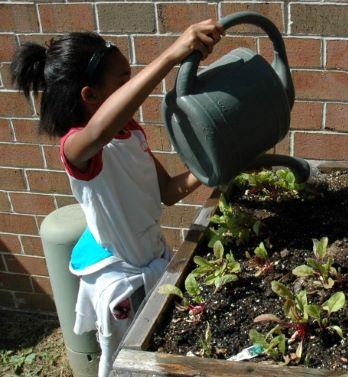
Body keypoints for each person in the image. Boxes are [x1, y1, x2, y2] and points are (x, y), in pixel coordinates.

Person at [11, 19, 225, 376]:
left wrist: (214, 169)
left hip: (152, 258)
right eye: (122, 80)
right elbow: (99, 129)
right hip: (121, 281)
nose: (131, 87)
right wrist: (173, 54)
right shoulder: (78, 148)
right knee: (126, 365)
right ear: (89, 95)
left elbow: (168, 193)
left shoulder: (130, 133)